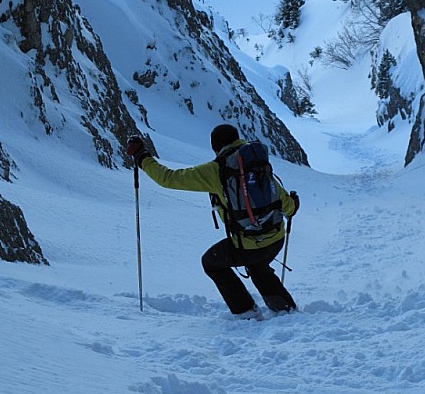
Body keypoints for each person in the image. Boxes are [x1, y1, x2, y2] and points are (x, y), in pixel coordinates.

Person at [127, 125, 299, 319]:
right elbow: (288, 207)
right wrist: (293, 204)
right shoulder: (258, 164)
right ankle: (285, 308)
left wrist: (142, 156)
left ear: (216, 146)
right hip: (276, 238)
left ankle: (246, 311)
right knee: (258, 265)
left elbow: (169, 179)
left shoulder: (216, 170)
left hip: (248, 243)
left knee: (211, 262)